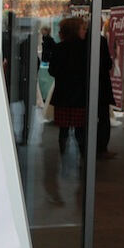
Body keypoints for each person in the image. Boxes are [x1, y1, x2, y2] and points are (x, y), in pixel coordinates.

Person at [48, 17, 89, 159]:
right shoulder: (86, 49)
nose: (85, 31)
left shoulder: (59, 48)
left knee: (63, 130)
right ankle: (84, 157)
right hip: (80, 96)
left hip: (63, 95)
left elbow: (52, 71)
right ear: (76, 30)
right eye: (83, 29)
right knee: (80, 130)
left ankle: (63, 155)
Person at [96, 25, 117, 159]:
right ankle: (102, 148)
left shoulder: (81, 42)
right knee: (103, 118)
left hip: (86, 88)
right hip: (102, 87)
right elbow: (107, 64)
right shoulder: (101, 41)